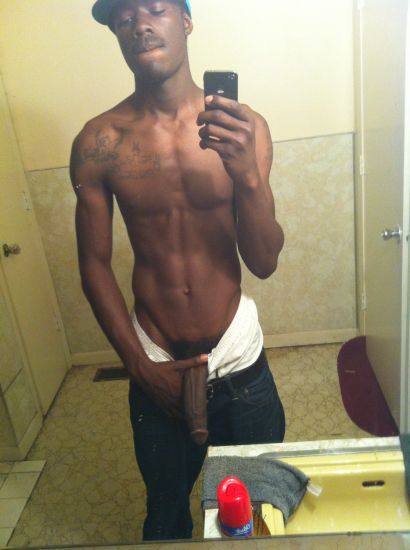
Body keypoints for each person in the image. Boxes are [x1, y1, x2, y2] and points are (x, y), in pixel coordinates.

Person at [69, 0, 286, 541]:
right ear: (117, 35)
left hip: (237, 355)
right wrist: (139, 367)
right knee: (165, 516)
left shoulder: (243, 127)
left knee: (254, 512)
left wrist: (247, 176)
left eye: (156, 9)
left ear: (185, 21)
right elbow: (93, 265)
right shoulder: (99, 141)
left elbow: (264, 262)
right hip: (157, 357)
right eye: (125, 18)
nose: (141, 24)